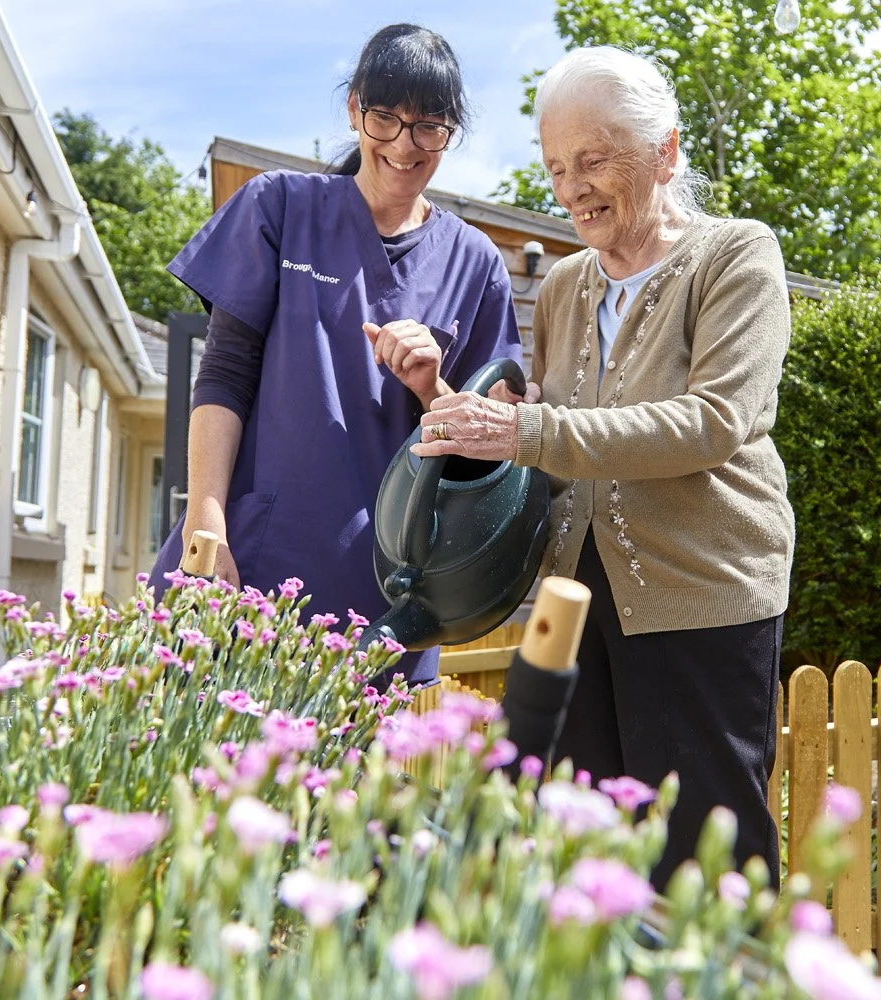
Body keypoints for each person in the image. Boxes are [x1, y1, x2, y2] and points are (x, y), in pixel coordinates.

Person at [413, 46, 794, 888]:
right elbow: (548, 440)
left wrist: (528, 433)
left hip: (702, 591)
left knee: (704, 861)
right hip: (573, 601)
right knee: (573, 844)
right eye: (556, 167)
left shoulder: (735, 256)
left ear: (665, 151)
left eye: (594, 160)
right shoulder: (563, 288)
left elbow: (713, 422)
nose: (572, 186)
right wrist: (452, 403)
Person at [151, 24, 523, 685]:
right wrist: (206, 524)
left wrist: (432, 390)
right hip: (249, 563)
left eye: (429, 127)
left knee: (348, 784)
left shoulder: (476, 264)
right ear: (355, 109)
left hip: (387, 592)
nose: (405, 146)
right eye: (386, 118)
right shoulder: (279, 206)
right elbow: (225, 376)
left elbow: (487, 461)